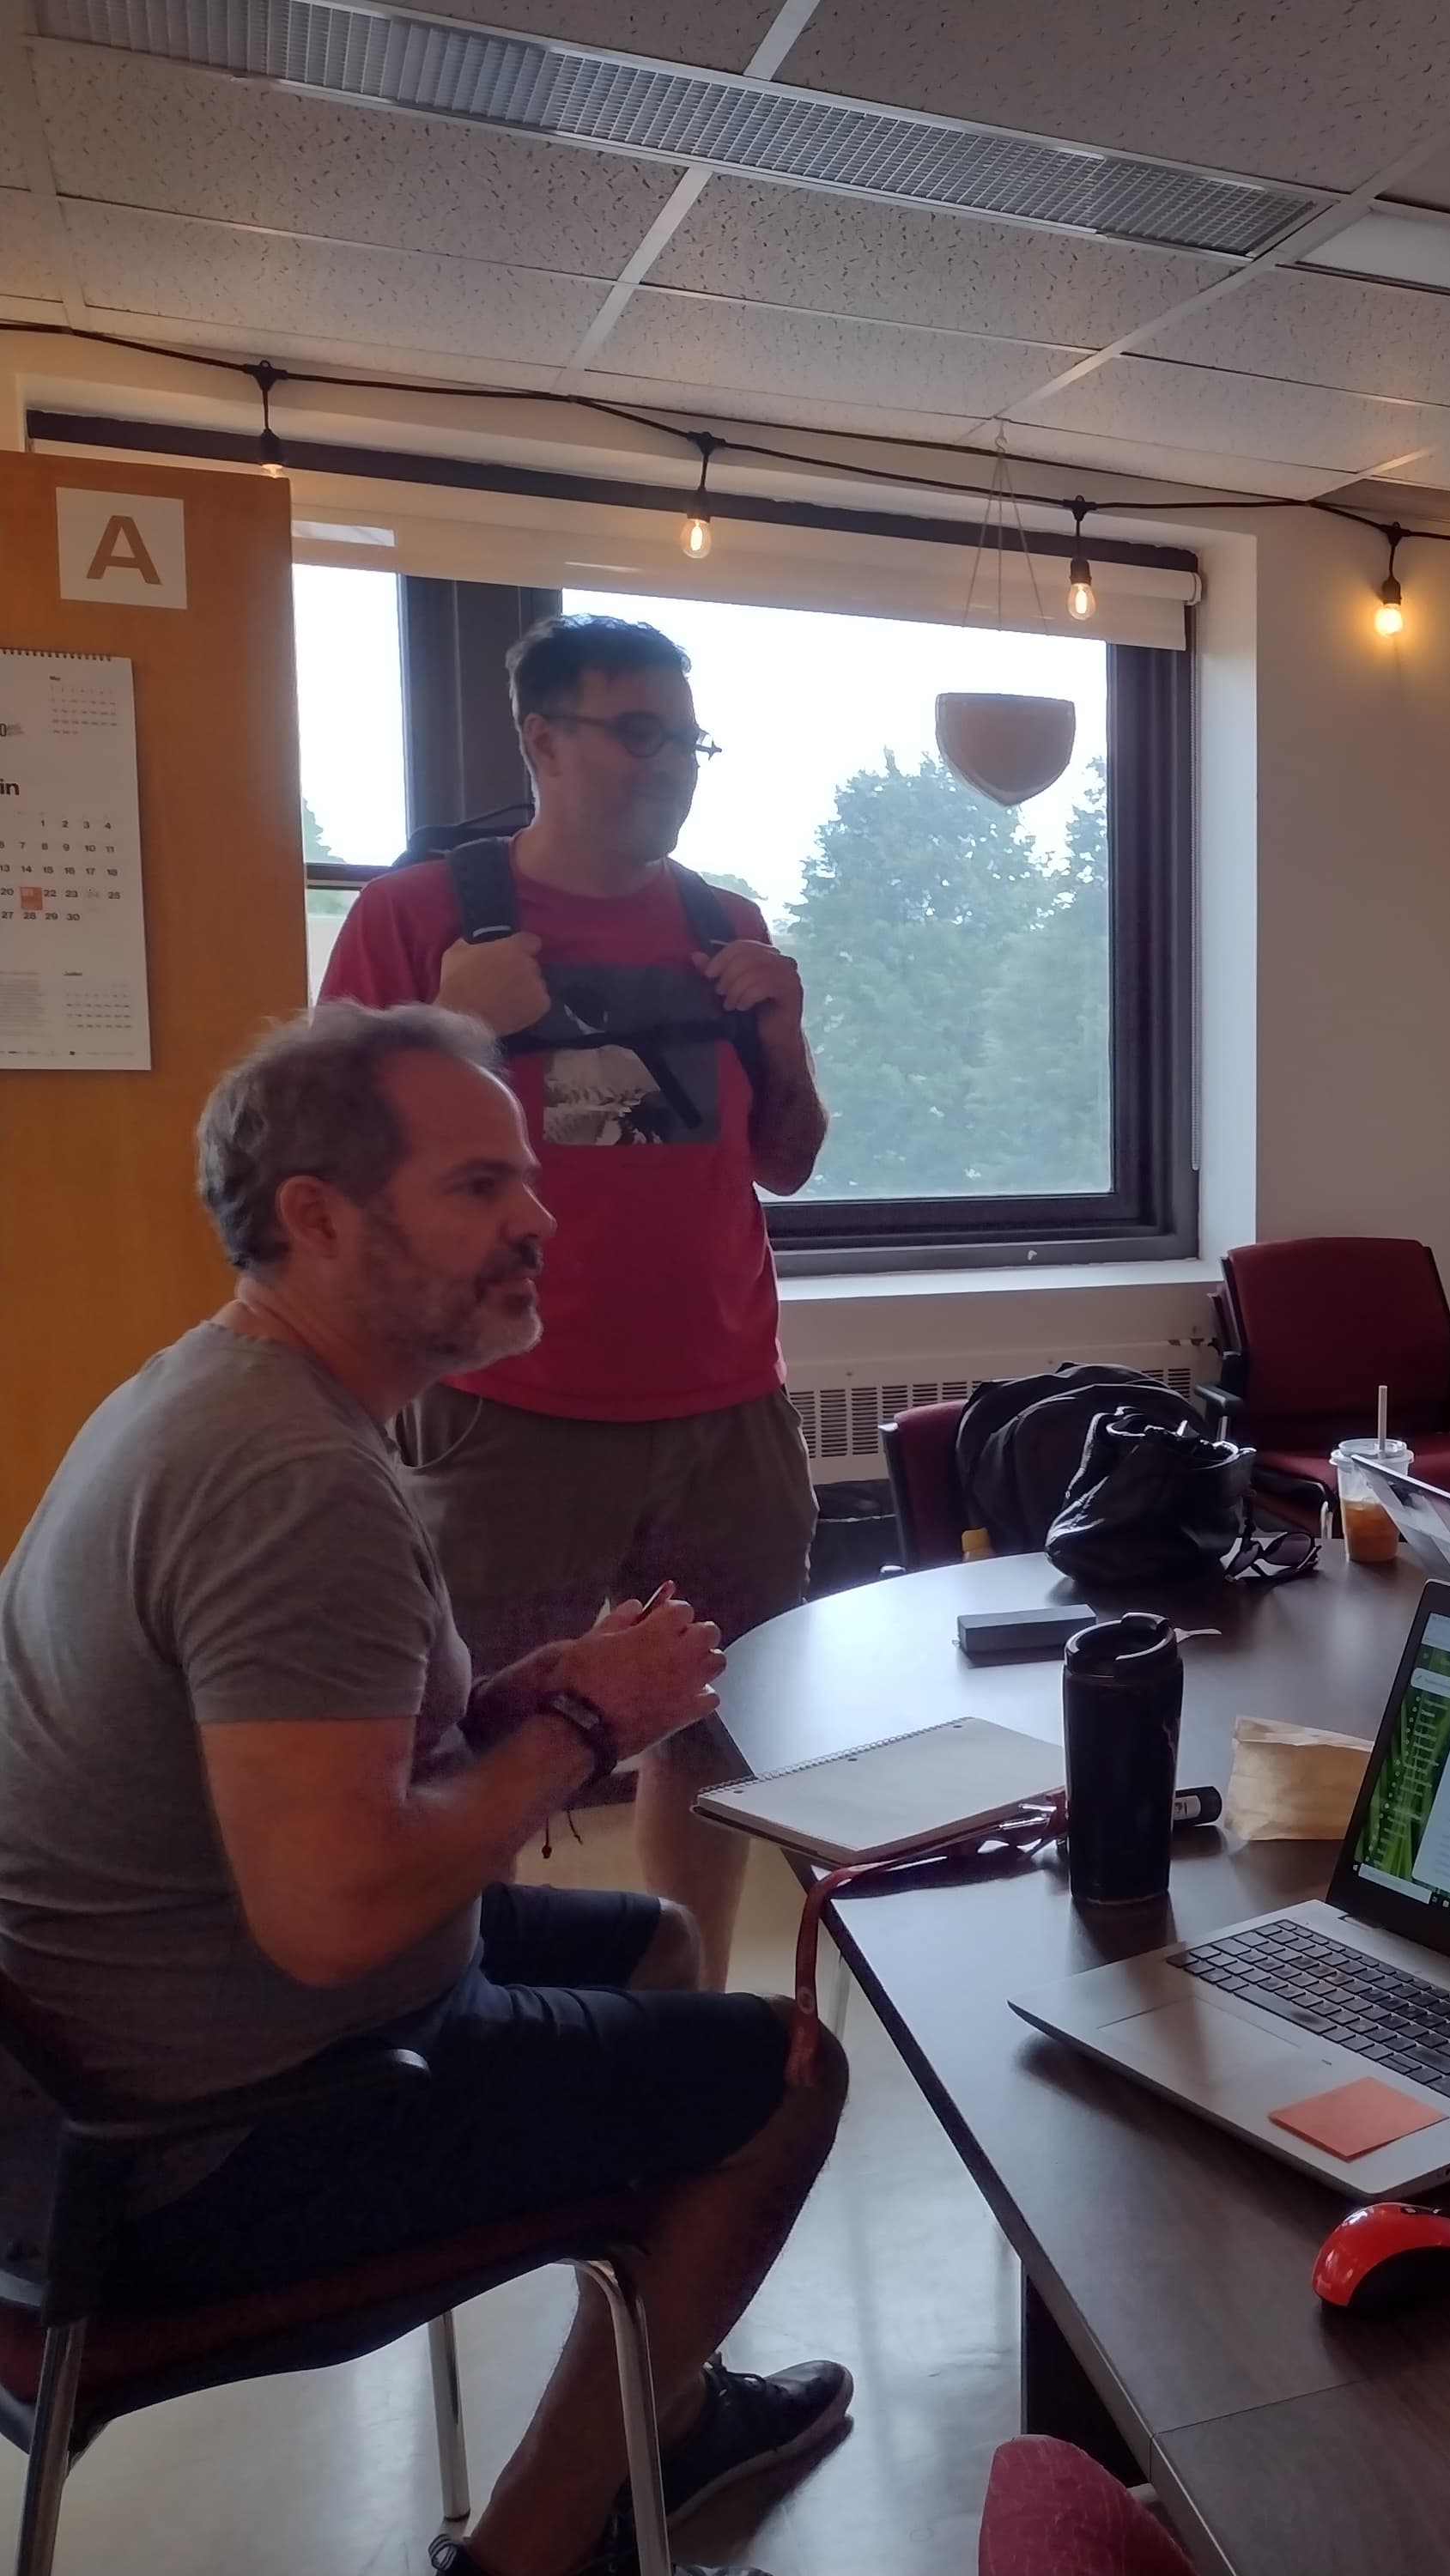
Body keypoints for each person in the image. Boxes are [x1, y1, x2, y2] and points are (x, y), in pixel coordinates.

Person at [0, 1005, 852, 2576]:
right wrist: (585, 1729)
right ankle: (529, 2553)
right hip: (198, 2146)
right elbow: (332, 1915)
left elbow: (294, 1759)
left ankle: (656, 2417)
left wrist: (505, 1705)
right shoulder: (290, 1485)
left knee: (658, 1943)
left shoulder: (229, 1395)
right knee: (793, 2076)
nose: (540, 1218)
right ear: (316, 1217)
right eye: (478, 1186)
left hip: (118, 2072)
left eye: (525, 1175)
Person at [319, 613, 828, 1989]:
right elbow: (325, 1169)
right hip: (506, 1412)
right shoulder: (415, 917)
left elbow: (785, 1161)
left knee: (719, 1727)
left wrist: (781, 1034)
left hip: (726, 1404)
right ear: (541, 739)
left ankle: (687, 2009)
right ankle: (472, 2021)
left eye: (689, 741)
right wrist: (455, 1026)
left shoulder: (725, 923)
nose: (669, 765)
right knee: (472, 1736)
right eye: (637, 733)